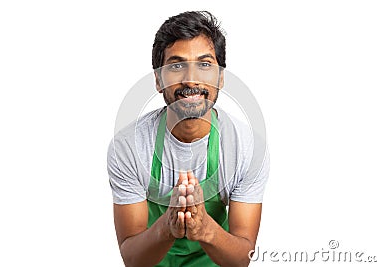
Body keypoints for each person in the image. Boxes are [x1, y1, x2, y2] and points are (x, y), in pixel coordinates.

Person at [107, 11, 269, 267]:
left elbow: (241, 259)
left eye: (204, 64)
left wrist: (205, 229)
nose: (191, 79)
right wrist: (167, 227)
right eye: (176, 65)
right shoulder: (129, 146)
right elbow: (132, 258)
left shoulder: (247, 147)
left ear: (221, 77)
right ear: (158, 80)